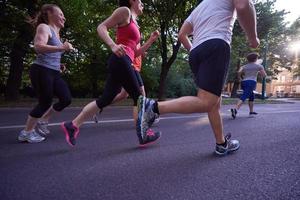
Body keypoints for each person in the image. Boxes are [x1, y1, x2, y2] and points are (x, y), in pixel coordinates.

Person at [137, 0, 260, 156]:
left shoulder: (200, 7)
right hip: (216, 44)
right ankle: (153, 107)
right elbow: (243, 5)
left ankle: (221, 144)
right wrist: (253, 38)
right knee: (207, 101)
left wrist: (193, 49)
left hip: (197, 52)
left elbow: (182, 34)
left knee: (214, 102)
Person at [61, 0, 161, 147]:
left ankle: (73, 125)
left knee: (105, 99)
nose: (142, 3)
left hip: (125, 60)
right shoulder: (124, 12)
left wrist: (151, 41)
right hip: (121, 60)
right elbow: (101, 27)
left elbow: (136, 53)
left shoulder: (135, 22)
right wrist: (112, 45)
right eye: (140, 1)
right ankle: (143, 134)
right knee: (139, 97)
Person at [18, 4, 73, 143]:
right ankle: (26, 132)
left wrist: (58, 64)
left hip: (53, 71)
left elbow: (50, 52)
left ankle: (43, 120)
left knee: (66, 98)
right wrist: (62, 47)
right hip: (41, 70)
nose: (64, 17)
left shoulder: (57, 33)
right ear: (49, 13)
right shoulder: (44, 27)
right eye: (60, 14)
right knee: (44, 102)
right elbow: (38, 47)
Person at [93, 33, 160, 124]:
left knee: (123, 95)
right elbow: (130, 53)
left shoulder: (138, 41)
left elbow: (136, 53)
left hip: (134, 68)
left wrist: (142, 53)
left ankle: (101, 105)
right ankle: (140, 121)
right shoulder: (132, 38)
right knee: (141, 94)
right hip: (132, 68)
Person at [230, 52, 267, 119]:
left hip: (244, 82)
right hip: (251, 82)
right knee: (245, 95)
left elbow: (239, 72)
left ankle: (251, 111)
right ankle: (235, 109)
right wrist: (258, 71)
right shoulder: (259, 66)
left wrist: (239, 78)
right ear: (256, 59)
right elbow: (264, 75)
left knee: (251, 96)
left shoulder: (244, 66)